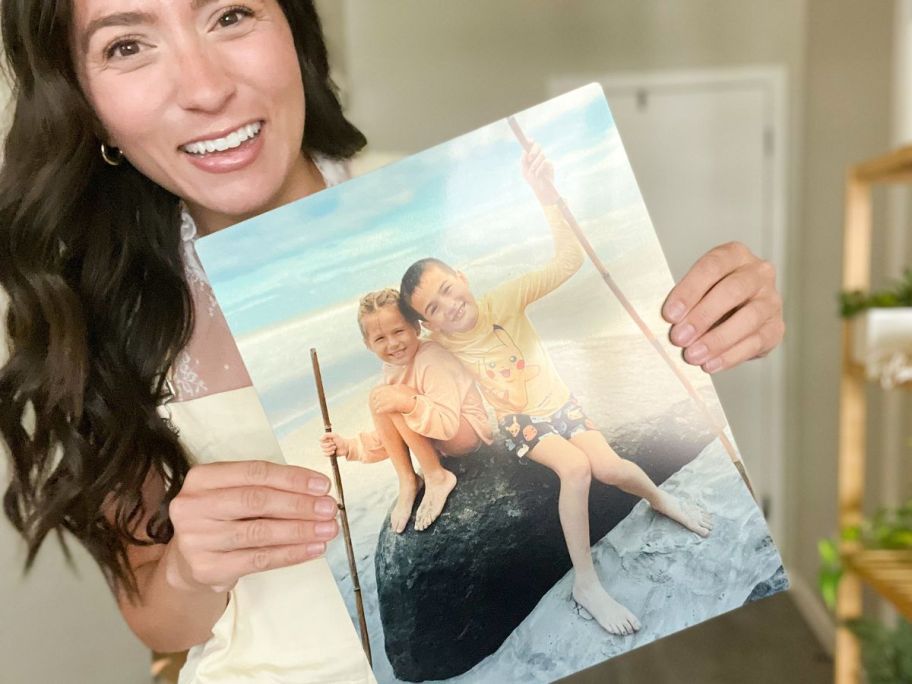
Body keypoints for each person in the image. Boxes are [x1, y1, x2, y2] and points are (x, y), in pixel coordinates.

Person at [0, 0, 785, 680]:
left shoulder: (442, 207)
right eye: (126, 45)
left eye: (231, 13)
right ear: (86, 102)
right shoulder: (102, 303)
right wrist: (189, 566)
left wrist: (709, 322)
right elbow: (156, 617)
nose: (205, 88)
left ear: (293, 28)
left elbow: (563, 321)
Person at [400, 144, 714, 637]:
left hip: (564, 405)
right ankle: (586, 583)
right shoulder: (438, 344)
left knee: (610, 465)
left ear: (461, 278)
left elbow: (567, 261)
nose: (448, 306)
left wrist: (544, 195)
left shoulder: (505, 298)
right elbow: (401, 353)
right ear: (427, 324)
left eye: (447, 289)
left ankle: (660, 499)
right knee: (577, 468)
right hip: (521, 424)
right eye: (433, 308)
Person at [319, 289, 492, 533]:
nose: (393, 344)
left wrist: (408, 403)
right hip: (438, 440)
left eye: (398, 331)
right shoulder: (391, 370)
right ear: (368, 345)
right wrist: (349, 447)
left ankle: (436, 476)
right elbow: (396, 435)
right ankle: (408, 480)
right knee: (379, 398)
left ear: (416, 327)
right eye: (380, 339)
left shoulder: (432, 359)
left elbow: (447, 424)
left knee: (392, 399)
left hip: (465, 433)